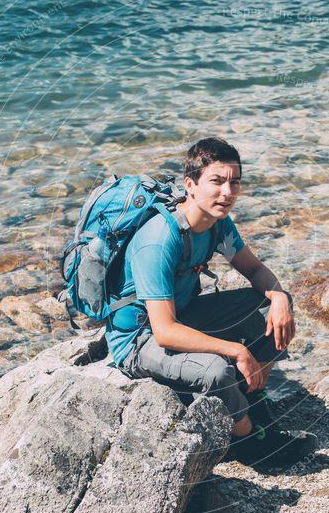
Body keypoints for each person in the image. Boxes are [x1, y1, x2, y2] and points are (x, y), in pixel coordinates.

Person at [106, 136, 314, 465]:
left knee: (270, 312)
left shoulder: (217, 225)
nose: (227, 193)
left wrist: (280, 298)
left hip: (184, 316)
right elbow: (164, 332)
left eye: (235, 183)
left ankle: (250, 396)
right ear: (191, 185)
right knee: (217, 371)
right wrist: (237, 350)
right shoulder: (160, 241)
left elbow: (255, 269)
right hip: (139, 341)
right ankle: (249, 441)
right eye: (216, 182)